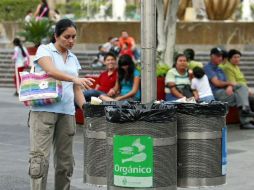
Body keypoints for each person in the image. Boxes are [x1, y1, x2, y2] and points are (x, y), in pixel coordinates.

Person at [27, 19, 94, 190]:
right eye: (67, 37)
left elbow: (76, 89)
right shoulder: (44, 50)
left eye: (74, 37)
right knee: (40, 160)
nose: (71, 41)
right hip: (44, 112)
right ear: (56, 35)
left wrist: (86, 108)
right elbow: (51, 71)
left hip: (67, 113)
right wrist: (74, 78)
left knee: (65, 163)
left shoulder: (73, 58)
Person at [204, 47, 254, 129]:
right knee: (240, 96)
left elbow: (226, 81)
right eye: (217, 56)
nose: (220, 58)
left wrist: (230, 86)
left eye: (221, 56)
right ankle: (245, 120)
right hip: (216, 93)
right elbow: (217, 83)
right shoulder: (208, 68)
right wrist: (230, 84)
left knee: (242, 87)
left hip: (224, 91)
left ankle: (246, 110)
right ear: (211, 56)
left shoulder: (219, 68)